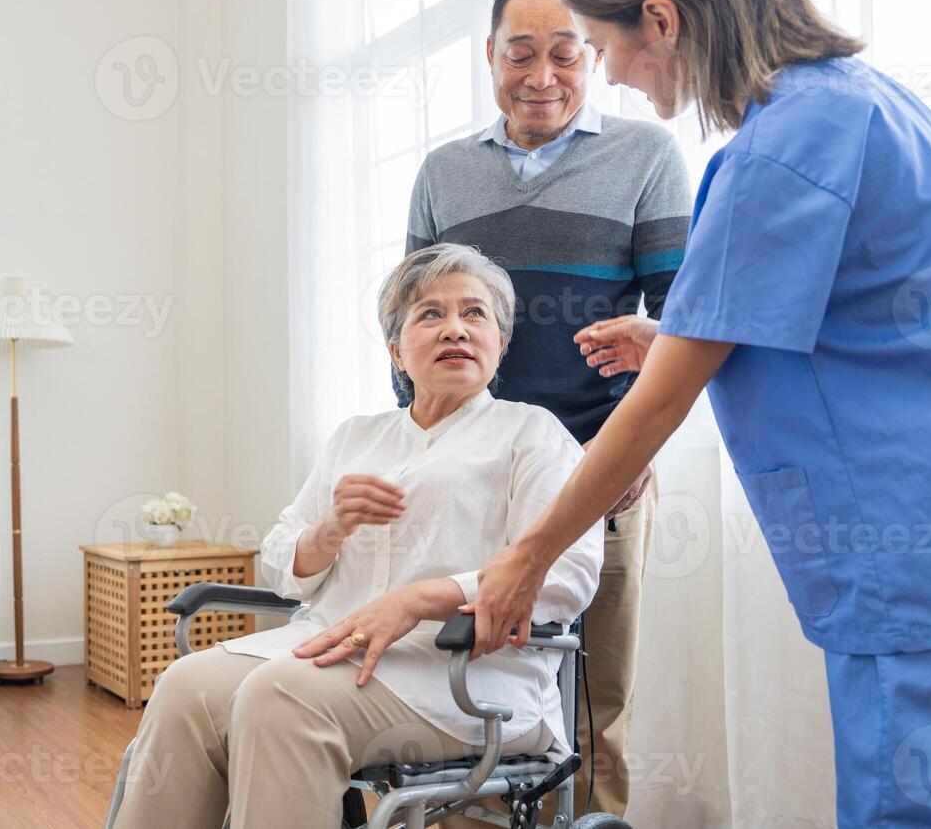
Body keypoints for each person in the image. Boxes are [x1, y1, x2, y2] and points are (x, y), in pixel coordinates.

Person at [412, 0, 931, 828]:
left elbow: (660, 402)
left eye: (602, 46)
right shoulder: (864, 103)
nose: (610, 76)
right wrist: (670, 334)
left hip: (896, 532)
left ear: (661, 19)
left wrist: (527, 558)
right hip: (902, 522)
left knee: (903, 802)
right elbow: (844, 314)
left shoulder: (782, 144)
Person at [112, 244, 602, 828]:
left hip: (459, 672)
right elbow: (280, 559)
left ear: (501, 342)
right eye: (430, 314)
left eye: (475, 314)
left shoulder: (532, 434)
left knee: (280, 697)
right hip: (327, 646)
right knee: (186, 686)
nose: (456, 329)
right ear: (396, 351)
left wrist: (419, 599)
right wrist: (331, 528)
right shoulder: (356, 437)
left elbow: (566, 573)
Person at [402, 0, 691, 817]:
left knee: (591, 700)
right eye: (520, 53)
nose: (542, 77)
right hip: (471, 468)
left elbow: (684, 327)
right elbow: (410, 324)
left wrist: (632, 451)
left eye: (565, 54)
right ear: (488, 56)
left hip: (601, 467)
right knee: (465, 683)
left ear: (593, 57)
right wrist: (422, 448)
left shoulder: (646, 155)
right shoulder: (444, 172)